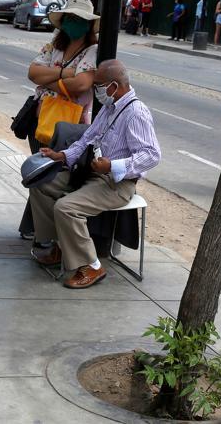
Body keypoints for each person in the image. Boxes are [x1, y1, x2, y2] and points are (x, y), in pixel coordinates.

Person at [30, 59, 161, 289]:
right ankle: (61, 246)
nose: (96, 90)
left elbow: (151, 155)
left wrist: (112, 166)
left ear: (113, 86)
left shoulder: (136, 113)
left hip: (117, 184)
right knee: (40, 183)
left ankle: (92, 265)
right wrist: (62, 156)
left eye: (98, 85)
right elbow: (86, 139)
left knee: (66, 207)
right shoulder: (110, 108)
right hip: (91, 174)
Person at [27, 0, 100, 151]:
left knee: (59, 171)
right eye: (70, 18)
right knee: (38, 169)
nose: (74, 23)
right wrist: (64, 73)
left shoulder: (92, 50)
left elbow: (80, 84)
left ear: (88, 24)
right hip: (40, 121)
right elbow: (33, 72)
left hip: (69, 127)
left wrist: (46, 80)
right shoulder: (55, 46)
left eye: (79, 19)